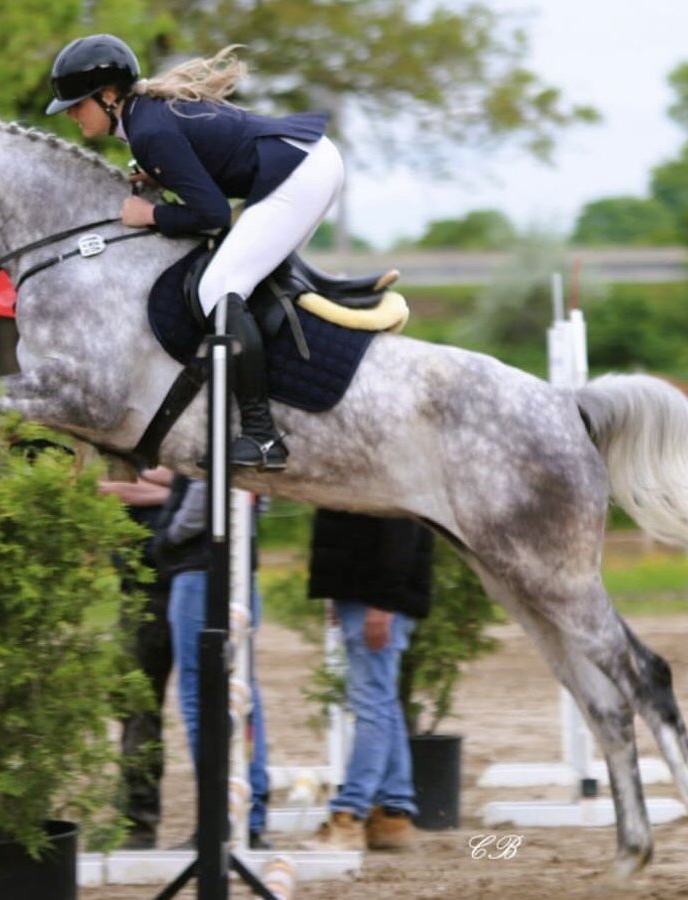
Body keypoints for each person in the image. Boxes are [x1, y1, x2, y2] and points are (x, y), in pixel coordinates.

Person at [44, 34, 347, 471]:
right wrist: (160, 180)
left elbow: (213, 215)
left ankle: (261, 436)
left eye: (78, 103)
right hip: (306, 163)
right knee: (241, 281)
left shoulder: (148, 129)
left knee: (217, 287)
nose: (72, 114)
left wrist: (150, 215)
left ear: (109, 97)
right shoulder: (145, 121)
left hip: (299, 174)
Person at [150, 474, 272, 849]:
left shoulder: (212, 427)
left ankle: (219, 816)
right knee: (242, 693)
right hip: (238, 572)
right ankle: (248, 812)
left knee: (201, 695)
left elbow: (205, 490)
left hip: (200, 572)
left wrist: (168, 537)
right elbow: (261, 500)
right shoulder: (255, 440)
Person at [302, 509, 434, 852]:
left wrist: (383, 604)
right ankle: (393, 813)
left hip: (373, 598)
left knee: (371, 706)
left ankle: (350, 814)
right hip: (361, 594)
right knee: (382, 702)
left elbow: (400, 532)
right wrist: (337, 591)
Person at [98, 468, 175, 850]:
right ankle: (137, 820)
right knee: (136, 706)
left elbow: (197, 484)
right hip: (138, 584)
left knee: (145, 706)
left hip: (177, 575)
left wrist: (129, 489)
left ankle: (140, 820)